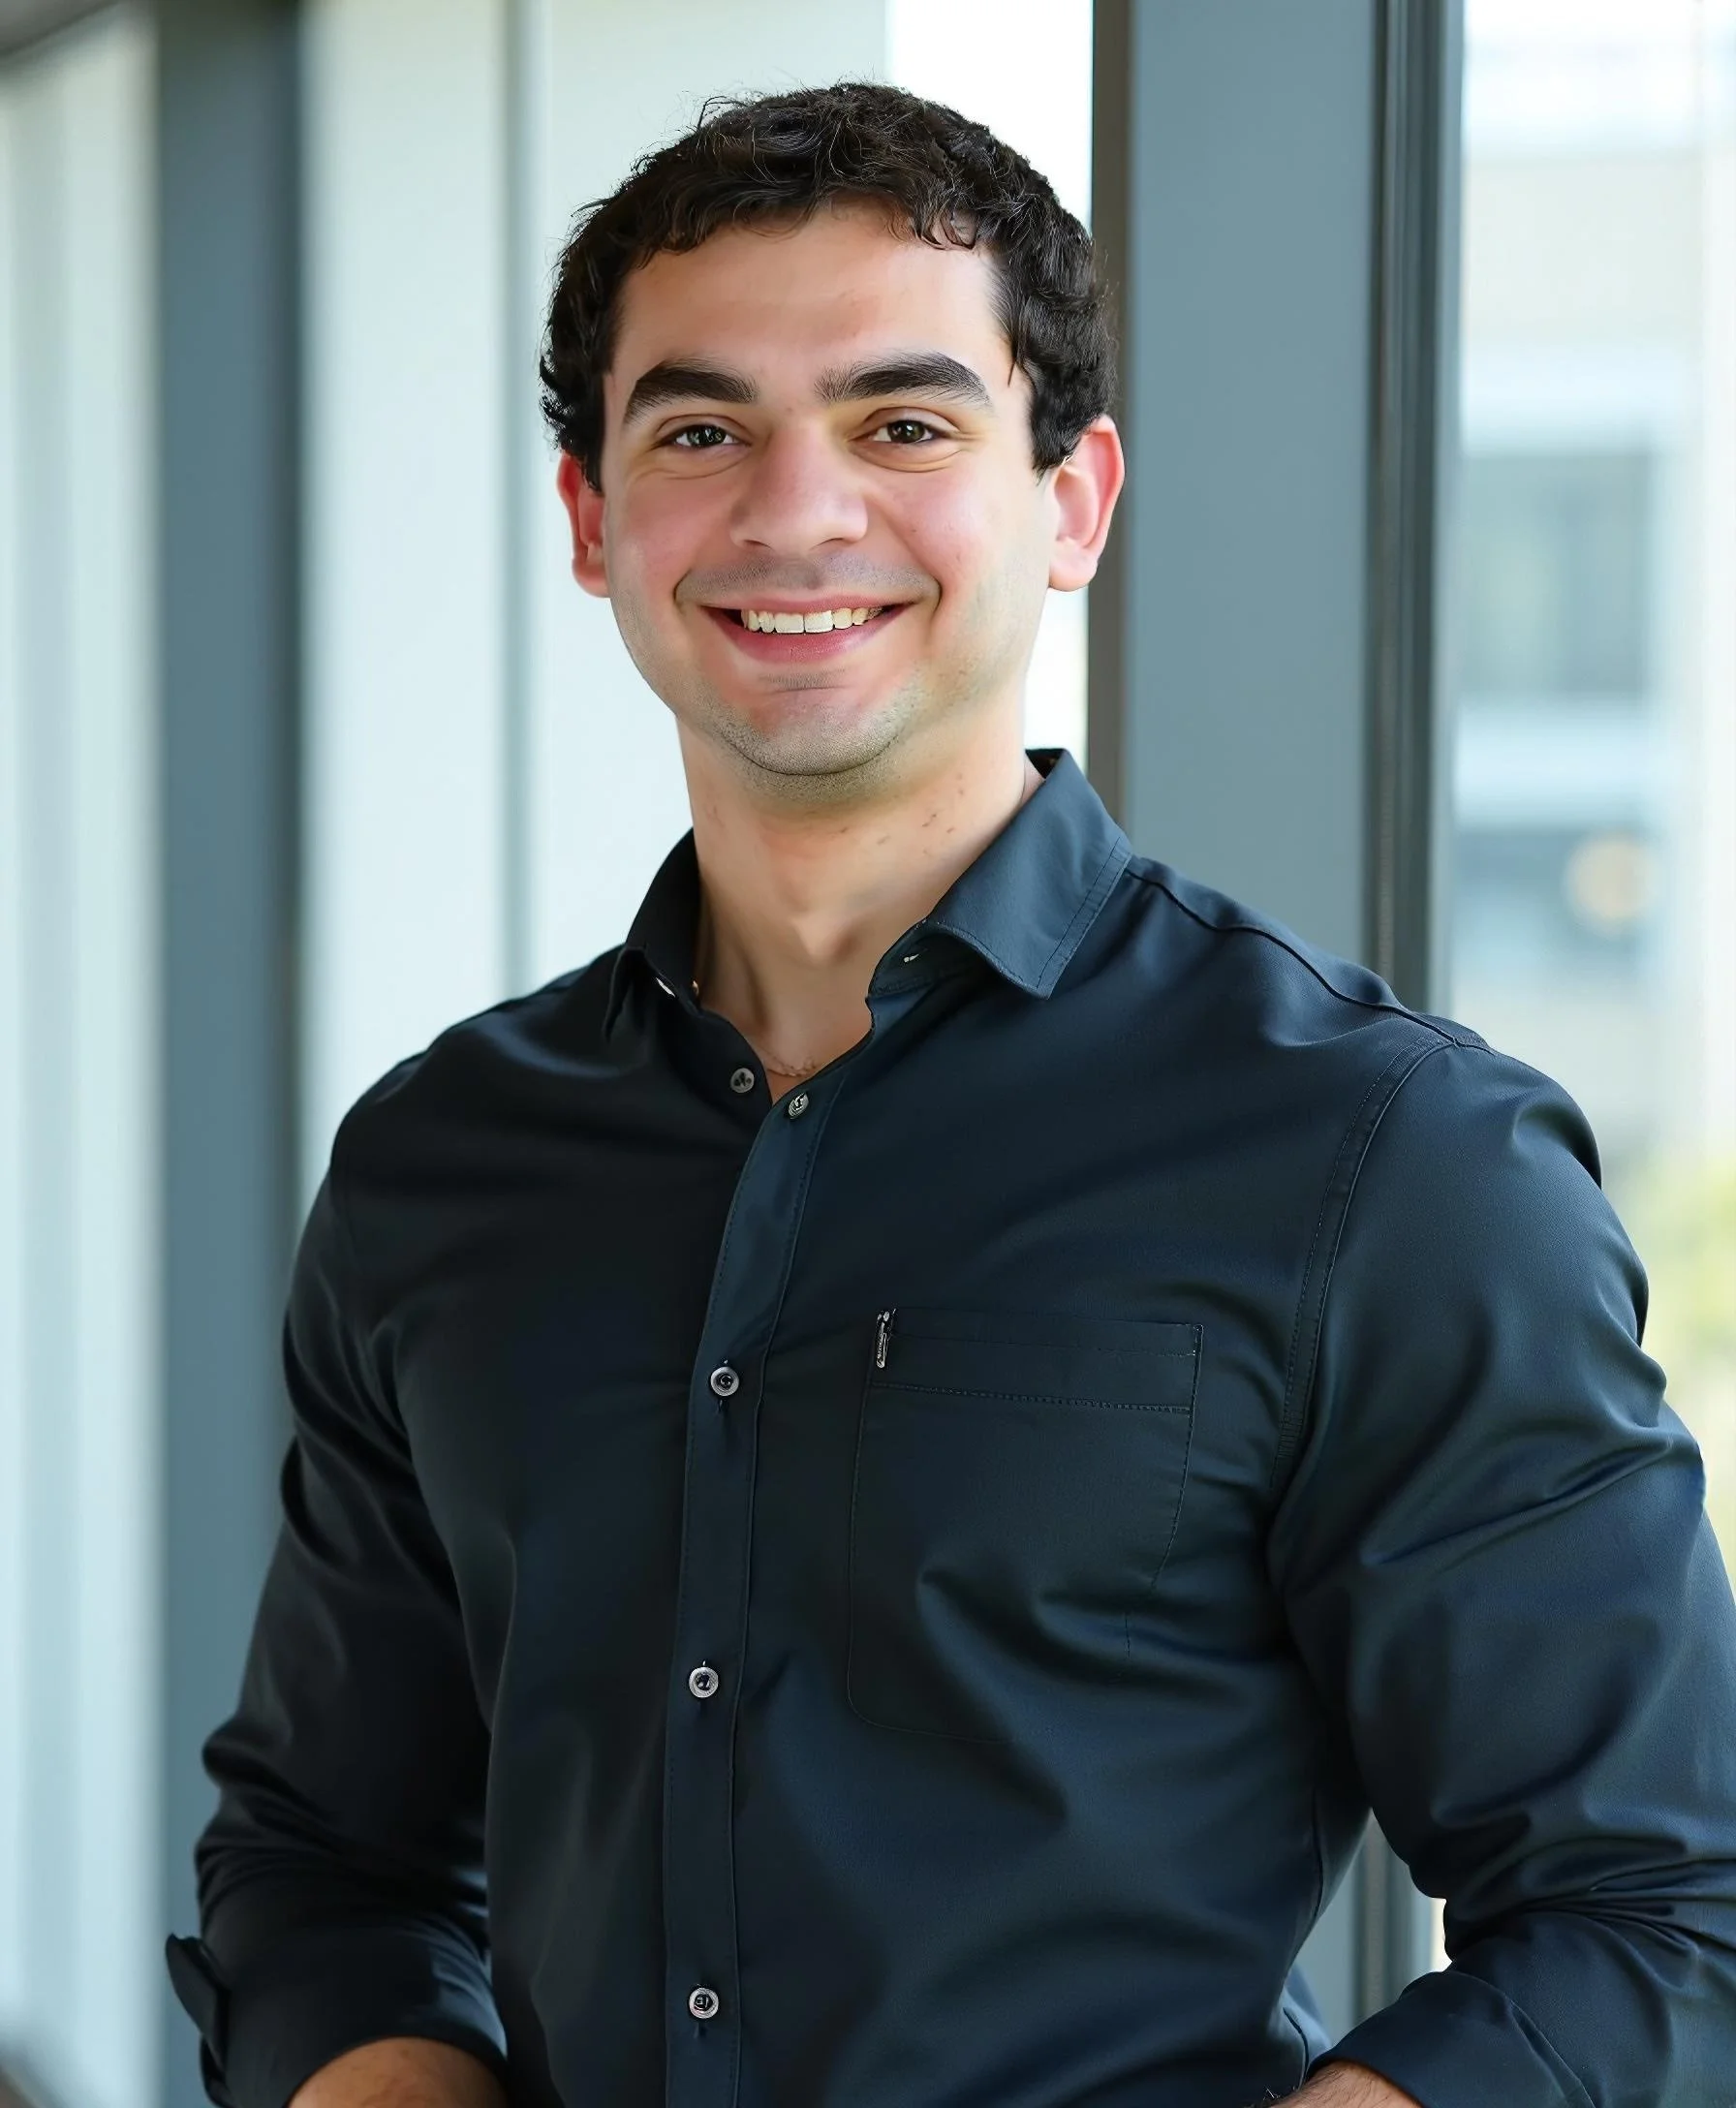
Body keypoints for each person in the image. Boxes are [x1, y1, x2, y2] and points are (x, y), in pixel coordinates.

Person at [167, 81, 1736, 2108]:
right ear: (590, 519)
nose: (795, 511)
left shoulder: (1382, 1155)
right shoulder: (436, 1163)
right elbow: (322, 1855)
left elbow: (1659, 1912)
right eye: (699, 428)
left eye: (902, 422)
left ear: (1069, 500)